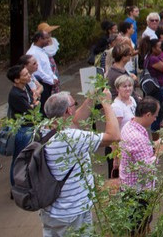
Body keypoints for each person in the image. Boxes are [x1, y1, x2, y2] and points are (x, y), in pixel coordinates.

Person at [41, 90, 120, 236]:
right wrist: (107, 104)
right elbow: (113, 136)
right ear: (68, 111)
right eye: (74, 104)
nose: (75, 108)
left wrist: (90, 99)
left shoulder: (43, 129)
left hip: (53, 208)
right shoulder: (71, 137)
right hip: (73, 211)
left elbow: (75, 120)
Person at [119, 97, 163, 236]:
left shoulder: (129, 125)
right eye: (155, 116)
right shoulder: (137, 138)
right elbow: (147, 168)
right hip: (138, 191)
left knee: (136, 226)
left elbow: (138, 156)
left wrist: (152, 147)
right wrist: (159, 152)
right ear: (148, 115)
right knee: (138, 228)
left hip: (128, 186)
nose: (155, 119)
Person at [6, 65, 38, 184]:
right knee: (20, 158)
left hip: (29, 126)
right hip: (23, 129)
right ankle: (16, 185)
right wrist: (35, 104)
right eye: (25, 75)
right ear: (17, 80)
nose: (28, 75)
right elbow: (30, 110)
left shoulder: (25, 88)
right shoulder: (16, 94)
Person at [110, 75, 138, 179]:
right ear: (117, 88)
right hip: (122, 147)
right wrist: (116, 158)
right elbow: (114, 133)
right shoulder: (117, 107)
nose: (128, 88)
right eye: (124, 86)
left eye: (130, 85)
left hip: (133, 143)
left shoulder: (132, 100)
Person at [26, 30, 57, 113]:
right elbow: (38, 71)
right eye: (46, 38)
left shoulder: (42, 50)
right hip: (41, 82)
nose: (48, 40)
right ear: (40, 39)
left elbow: (47, 68)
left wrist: (53, 77)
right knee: (42, 108)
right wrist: (51, 80)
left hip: (47, 82)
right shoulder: (33, 52)